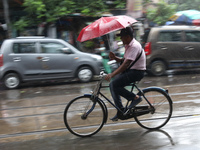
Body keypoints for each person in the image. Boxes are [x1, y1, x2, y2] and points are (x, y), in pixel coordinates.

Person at [105, 26, 146, 121]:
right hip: (132, 71)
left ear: (127, 37)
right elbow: (124, 61)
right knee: (112, 85)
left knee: (114, 85)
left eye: (122, 37)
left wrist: (112, 74)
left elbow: (126, 64)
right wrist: (115, 58)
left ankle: (135, 98)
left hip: (137, 72)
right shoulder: (128, 46)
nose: (120, 39)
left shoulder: (134, 46)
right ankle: (120, 111)